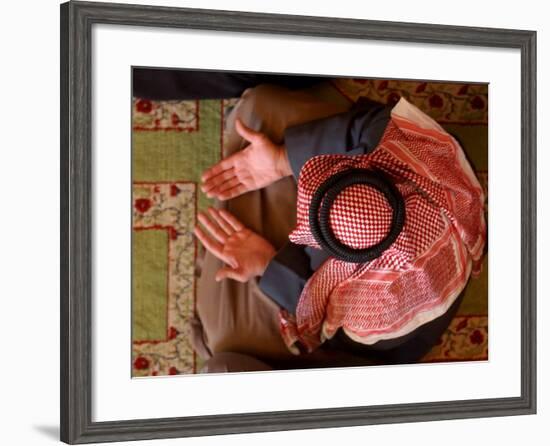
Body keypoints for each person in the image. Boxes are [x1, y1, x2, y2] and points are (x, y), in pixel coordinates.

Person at [192, 83, 486, 372]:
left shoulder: (375, 311)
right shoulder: (409, 156)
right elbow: (372, 125)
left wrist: (267, 264)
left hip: (334, 345)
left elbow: (334, 340)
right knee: (258, 107)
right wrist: (281, 160)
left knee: (223, 329)